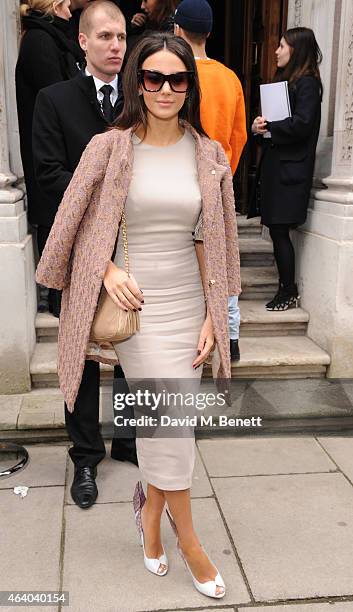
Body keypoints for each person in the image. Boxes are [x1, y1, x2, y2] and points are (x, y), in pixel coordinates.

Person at [35, 31, 240, 598]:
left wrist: (212, 314)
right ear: (138, 83)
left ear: (189, 85)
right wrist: (105, 270)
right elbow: (70, 222)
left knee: (167, 421)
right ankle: (189, 537)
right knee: (169, 420)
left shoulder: (209, 153)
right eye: (154, 78)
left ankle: (151, 513)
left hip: (189, 305)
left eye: (178, 79)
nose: (167, 89)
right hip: (136, 307)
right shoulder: (110, 146)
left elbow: (212, 239)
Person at [32, 0, 138, 510]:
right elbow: (49, 176)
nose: (116, 46)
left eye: (120, 37)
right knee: (82, 353)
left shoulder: (145, 98)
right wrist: (96, 223)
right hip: (79, 247)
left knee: (132, 342)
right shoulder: (54, 99)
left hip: (136, 245)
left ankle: (131, 441)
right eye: (105, 37)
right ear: (83, 41)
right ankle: (85, 457)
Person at [174, 0, 247, 362]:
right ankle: (230, 337)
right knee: (222, 259)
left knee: (189, 262)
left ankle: (194, 332)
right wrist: (225, 175)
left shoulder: (177, 77)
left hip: (180, 182)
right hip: (218, 183)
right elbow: (239, 136)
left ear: (177, 30)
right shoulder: (230, 77)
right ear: (209, 33)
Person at [16, 0, 84, 316]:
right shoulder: (40, 41)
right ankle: (56, 296)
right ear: (55, 6)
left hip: (59, 144)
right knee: (55, 218)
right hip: (51, 147)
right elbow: (58, 95)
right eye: (67, 4)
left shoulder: (50, 37)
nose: (72, 10)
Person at [250, 27, 323, 311]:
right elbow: (277, 124)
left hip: (290, 174)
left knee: (280, 230)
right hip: (277, 169)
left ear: (296, 49)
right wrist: (257, 128)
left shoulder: (307, 84)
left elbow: (303, 124)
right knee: (276, 228)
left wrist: (271, 127)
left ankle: (288, 291)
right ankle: (285, 288)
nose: (276, 51)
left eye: (282, 46)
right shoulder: (286, 81)